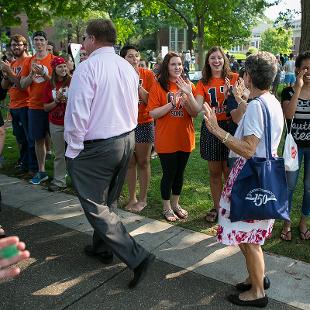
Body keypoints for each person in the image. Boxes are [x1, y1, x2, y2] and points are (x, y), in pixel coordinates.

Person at [64, 19, 155, 288]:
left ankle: (137, 257)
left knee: (95, 205)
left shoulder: (87, 67)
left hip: (98, 146)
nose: (82, 43)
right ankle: (102, 248)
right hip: (125, 138)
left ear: (92, 39)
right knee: (109, 200)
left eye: (84, 38)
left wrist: (73, 147)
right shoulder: (127, 68)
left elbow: (77, 113)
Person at [204, 51, 283, 307]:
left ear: (248, 76)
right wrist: (242, 102)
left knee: (249, 240)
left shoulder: (259, 107)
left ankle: (258, 292)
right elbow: (247, 123)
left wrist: (217, 131)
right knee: (249, 235)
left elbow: (249, 149)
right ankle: (255, 277)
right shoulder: (270, 101)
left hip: (251, 178)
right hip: (261, 178)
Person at [147, 52, 197, 222]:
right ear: (166, 67)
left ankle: (176, 204)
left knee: (180, 173)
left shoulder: (188, 85)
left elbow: (195, 113)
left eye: (180, 64)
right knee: (169, 173)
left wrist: (188, 95)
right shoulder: (158, 86)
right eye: (173, 64)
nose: (177, 67)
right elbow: (153, 112)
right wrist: (172, 103)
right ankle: (166, 207)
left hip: (184, 137)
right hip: (166, 138)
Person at [194, 46, 238, 223]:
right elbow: (197, 108)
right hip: (212, 127)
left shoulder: (234, 78)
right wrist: (189, 95)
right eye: (213, 58)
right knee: (214, 172)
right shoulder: (203, 82)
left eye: (219, 57)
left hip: (230, 126)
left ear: (224, 59)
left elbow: (246, 99)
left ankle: (231, 205)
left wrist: (233, 93)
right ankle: (218, 207)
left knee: (229, 170)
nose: (216, 61)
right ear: (208, 61)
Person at [120, 45, 155, 212]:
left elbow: (151, 100)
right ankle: (132, 197)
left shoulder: (147, 74)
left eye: (136, 56)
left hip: (144, 122)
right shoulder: (117, 75)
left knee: (143, 161)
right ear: (123, 59)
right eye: (130, 56)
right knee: (130, 162)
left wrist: (137, 83)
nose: (134, 60)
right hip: (125, 124)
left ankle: (143, 199)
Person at [281, 51, 310, 241]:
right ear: (298, 69)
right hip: (294, 147)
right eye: (305, 67)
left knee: (309, 187)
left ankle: (304, 221)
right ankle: (286, 222)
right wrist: (298, 89)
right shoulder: (288, 91)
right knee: (289, 185)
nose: (308, 71)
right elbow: (289, 116)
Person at [1, 34, 38, 176]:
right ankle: (24, 164)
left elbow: (21, 85)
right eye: (13, 45)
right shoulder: (14, 64)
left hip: (26, 105)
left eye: (19, 45)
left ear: (25, 46)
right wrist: (6, 75)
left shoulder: (29, 61)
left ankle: (33, 168)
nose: (16, 47)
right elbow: (5, 87)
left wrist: (9, 72)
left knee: (30, 139)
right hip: (14, 106)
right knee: (20, 138)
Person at [20, 31, 54, 185]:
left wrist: (45, 75)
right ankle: (42, 171)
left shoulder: (53, 60)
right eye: (36, 40)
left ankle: (62, 171)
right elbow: (22, 85)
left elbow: (57, 84)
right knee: (38, 139)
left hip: (53, 105)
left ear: (46, 42)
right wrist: (31, 76)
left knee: (58, 138)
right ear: (33, 43)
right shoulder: (29, 61)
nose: (39, 42)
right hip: (34, 106)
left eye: (41, 39)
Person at [43, 57, 71, 191]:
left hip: (72, 123)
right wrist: (57, 101)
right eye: (60, 67)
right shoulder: (49, 84)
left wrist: (67, 100)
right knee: (59, 154)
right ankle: (60, 182)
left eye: (65, 66)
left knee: (75, 153)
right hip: (56, 123)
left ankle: (79, 182)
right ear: (54, 69)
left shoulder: (73, 81)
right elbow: (45, 107)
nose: (63, 69)